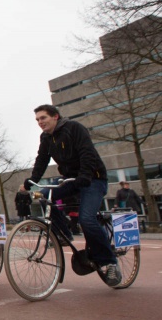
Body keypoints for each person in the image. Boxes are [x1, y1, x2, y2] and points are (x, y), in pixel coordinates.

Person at [24, 104, 120, 287]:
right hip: (70, 180)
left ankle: (110, 262)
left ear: (55, 117)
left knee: (86, 220)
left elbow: (87, 152)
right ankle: (64, 234)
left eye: (43, 118)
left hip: (93, 178)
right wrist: (32, 180)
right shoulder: (46, 137)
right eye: (37, 120)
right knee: (42, 196)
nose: (40, 122)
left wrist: (85, 175)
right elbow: (42, 159)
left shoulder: (74, 128)